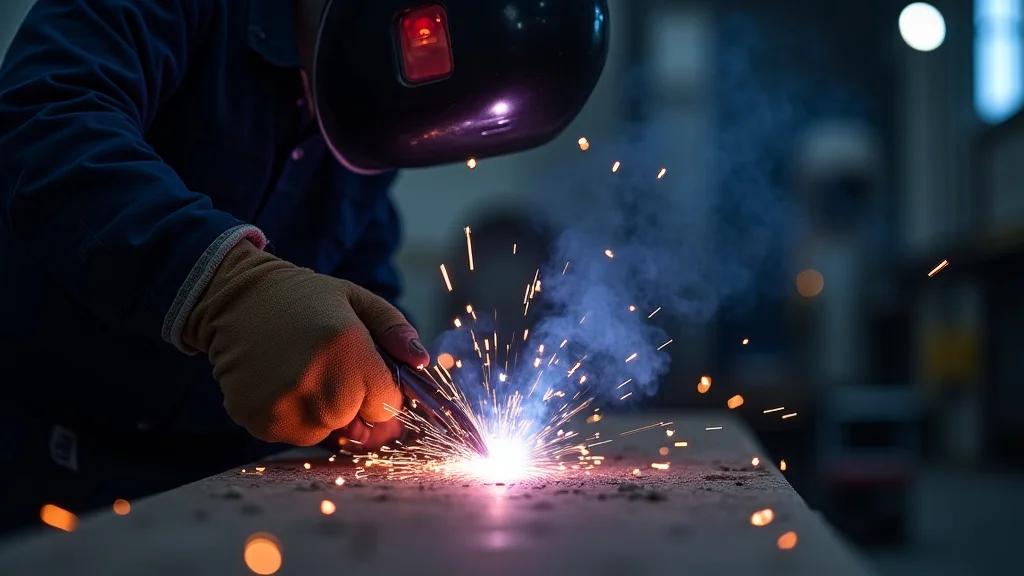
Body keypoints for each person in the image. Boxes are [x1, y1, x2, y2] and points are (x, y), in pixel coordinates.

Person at [0, 0, 608, 533]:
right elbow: (44, 117)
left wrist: (382, 389)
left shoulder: (365, 107)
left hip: (221, 489)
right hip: (45, 467)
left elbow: (353, 261)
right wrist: (225, 286)